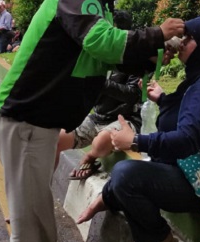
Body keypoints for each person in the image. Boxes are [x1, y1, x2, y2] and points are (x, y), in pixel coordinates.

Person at [0, 0, 184, 242]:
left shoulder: (93, 0)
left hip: (41, 117)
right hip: (25, 113)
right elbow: (100, 41)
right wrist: (156, 34)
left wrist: (152, 54)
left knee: (35, 200)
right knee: (27, 209)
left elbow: (105, 55)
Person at [76, 15, 200, 242]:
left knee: (125, 175)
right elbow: (196, 117)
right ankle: (108, 197)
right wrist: (163, 100)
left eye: (191, 37)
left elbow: (186, 140)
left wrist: (134, 141)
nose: (182, 42)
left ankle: (158, 240)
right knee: (136, 171)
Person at [56, 10, 142, 179]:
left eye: (108, 30)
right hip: (97, 117)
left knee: (100, 141)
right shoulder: (98, 55)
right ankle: (43, 186)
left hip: (124, 120)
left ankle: (90, 157)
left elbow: (133, 95)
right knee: (56, 140)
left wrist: (100, 83)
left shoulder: (135, 59)